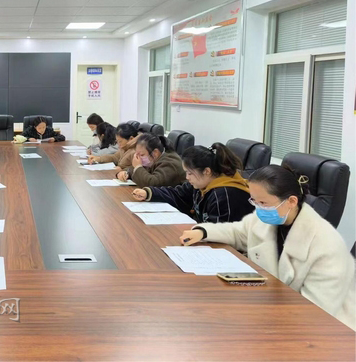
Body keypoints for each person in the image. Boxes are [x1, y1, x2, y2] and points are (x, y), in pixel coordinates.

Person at [179, 165, 355, 330]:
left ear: (291, 201)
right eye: (254, 201)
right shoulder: (272, 217)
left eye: (263, 202)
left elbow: (315, 311)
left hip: (327, 328)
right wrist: (203, 232)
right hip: (274, 310)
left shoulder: (326, 244)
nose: (258, 208)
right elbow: (238, 232)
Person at [132, 143, 254, 223]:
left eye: (189, 173)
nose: (187, 177)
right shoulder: (202, 184)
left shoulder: (225, 194)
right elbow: (178, 194)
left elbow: (219, 233)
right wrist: (149, 193)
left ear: (207, 171)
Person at [116, 133, 185, 188]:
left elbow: (152, 184)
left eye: (142, 155)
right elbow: (145, 170)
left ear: (155, 153)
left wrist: (138, 167)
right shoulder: (154, 159)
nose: (139, 158)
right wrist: (126, 173)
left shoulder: (170, 162)